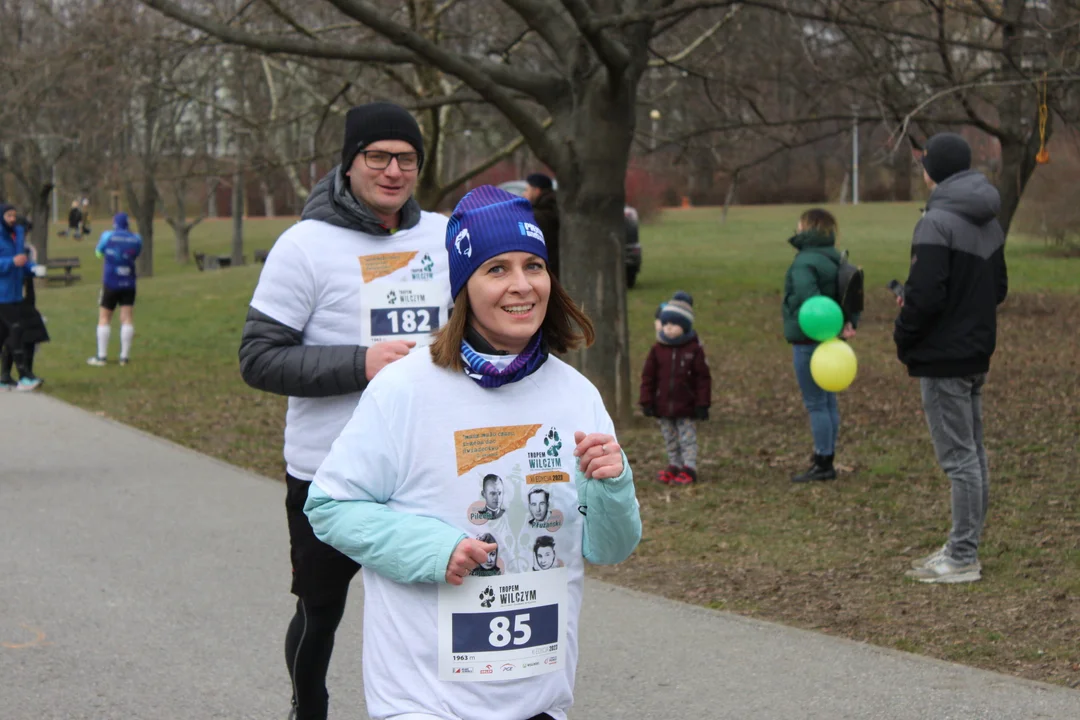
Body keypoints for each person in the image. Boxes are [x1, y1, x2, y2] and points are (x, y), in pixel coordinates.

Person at [305, 185, 641, 720]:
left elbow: (609, 548)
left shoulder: (575, 394)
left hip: (540, 700)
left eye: (534, 265)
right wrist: (434, 549)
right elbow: (329, 506)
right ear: (464, 287)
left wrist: (613, 484)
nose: (522, 285)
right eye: (497, 269)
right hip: (423, 700)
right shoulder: (407, 388)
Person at [237, 101, 452, 720]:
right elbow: (259, 359)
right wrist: (361, 363)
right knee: (321, 610)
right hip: (328, 471)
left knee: (434, 603)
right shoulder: (304, 246)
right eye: (377, 156)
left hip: (423, 465)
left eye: (406, 158)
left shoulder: (440, 236)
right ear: (350, 163)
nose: (393, 170)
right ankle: (309, 709)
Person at [897, 133, 1007, 584]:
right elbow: (997, 288)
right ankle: (964, 546)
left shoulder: (936, 221)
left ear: (932, 170)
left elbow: (924, 297)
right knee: (973, 453)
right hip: (975, 351)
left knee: (960, 459)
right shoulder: (989, 218)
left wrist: (903, 334)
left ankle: (962, 557)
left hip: (944, 356)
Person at [782, 209, 857, 483]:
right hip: (831, 341)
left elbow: (807, 298)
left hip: (808, 340)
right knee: (827, 402)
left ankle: (822, 461)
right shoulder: (835, 257)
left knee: (816, 403)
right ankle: (827, 455)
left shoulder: (805, 262)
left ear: (808, 228)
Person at [639, 295, 711, 485]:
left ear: (685, 326)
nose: (668, 327)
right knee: (669, 438)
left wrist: (702, 404)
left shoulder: (694, 350)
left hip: (686, 406)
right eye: (665, 323)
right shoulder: (657, 350)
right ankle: (674, 464)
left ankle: (689, 467)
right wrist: (647, 400)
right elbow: (648, 377)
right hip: (663, 406)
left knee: (687, 438)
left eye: (674, 323)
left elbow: (703, 378)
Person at [87, 213, 143, 367]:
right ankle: (124, 357)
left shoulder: (108, 236)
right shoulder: (136, 238)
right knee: (127, 317)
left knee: (104, 317)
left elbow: (98, 253)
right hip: (129, 282)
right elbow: (136, 254)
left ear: (114, 223)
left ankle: (102, 357)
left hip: (111, 281)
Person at [0, 203, 45, 391]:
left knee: (5, 335)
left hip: (15, 294)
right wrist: (11, 262)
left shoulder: (14, 236)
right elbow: (12, 261)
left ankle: (4, 378)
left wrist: (32, 269)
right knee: (16, 330)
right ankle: (25, 376)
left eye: (14, 215)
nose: (12, 219)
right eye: (8, 215)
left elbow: (21, 261)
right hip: (2, 295)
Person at [524, 173, 559, 278]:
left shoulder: (538, 216)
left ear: (537, 191)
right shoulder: (554, 207)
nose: (524, 194)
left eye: (527, 190)